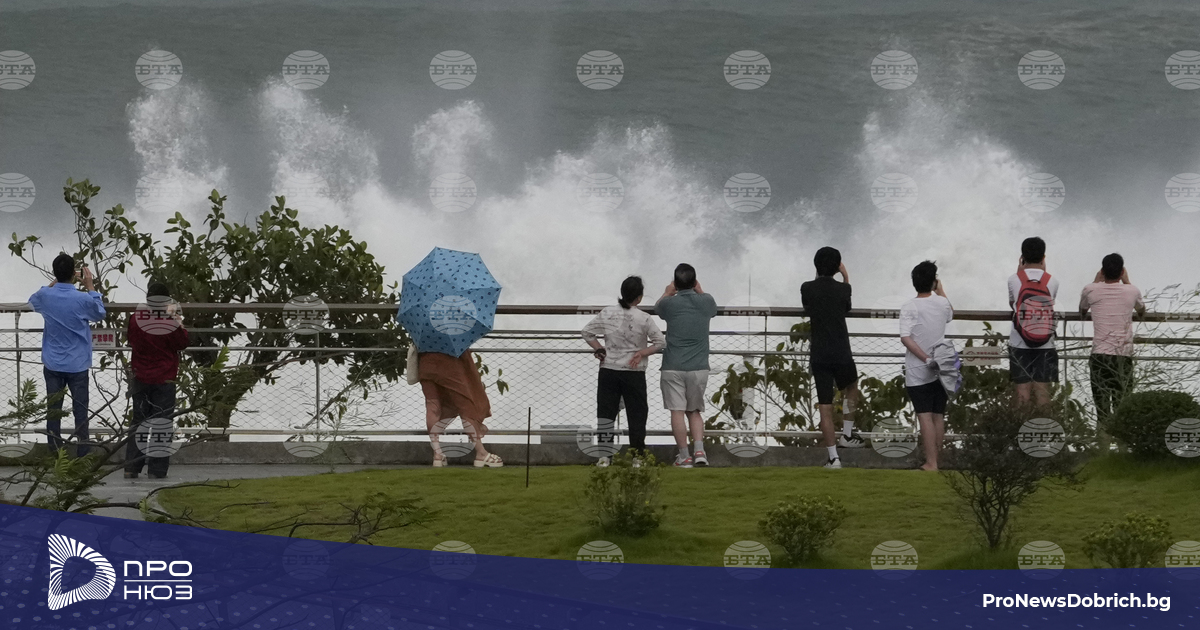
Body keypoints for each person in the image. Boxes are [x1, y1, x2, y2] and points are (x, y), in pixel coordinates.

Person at [582, 276, 665, 467]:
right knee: (637, 414)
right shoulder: (644, 318)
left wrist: (599, 348)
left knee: (606, 413)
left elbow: (587, 333)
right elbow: (660, 342)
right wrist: (642, 353)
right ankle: (637, 456)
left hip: (609, 369)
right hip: (634, 371)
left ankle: (605, 456)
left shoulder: (607, 312)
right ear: (639, 298)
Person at [28, 254, 106, 457]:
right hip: (78, 363)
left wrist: (53, 283)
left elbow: (32, 302)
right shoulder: (83, 299)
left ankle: (56, 457)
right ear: (74, 273)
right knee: (80, 411)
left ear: (54, 272)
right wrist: (90, 286)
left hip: (53, 363)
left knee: (53, 411)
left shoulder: (45, 295)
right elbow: (100, 313)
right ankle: (83, 456)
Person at [801, 247, 863, 470]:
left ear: (816, 266)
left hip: (819, 352)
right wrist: (845, 277)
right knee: (852, 386)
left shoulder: (807, 288)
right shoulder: (844, 289)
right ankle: (847, 434)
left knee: (825, 405)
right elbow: (846, 307)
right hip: (841, 350)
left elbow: (808, 306)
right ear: (837, 267)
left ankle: (833, 458)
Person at [1079, 253, 1145, 450]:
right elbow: (1142, 311)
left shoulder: (1090, 289)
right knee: (1122, 409)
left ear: (1102, 271)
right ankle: (1123, 452)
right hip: (1123, 357)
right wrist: (1127, 282)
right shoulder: (1132, 290)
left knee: (1102, 409)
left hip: (1099, 356)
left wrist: (1095, 282)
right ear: (1122, 271)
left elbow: (1082, 311)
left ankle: (1104, 455)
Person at [655, 263, 718, 468]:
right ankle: (700, 452)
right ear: (695, 281)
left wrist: (667, 292)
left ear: (675, 283)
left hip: (672, 365)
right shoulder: (706, 301)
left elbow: (658, 308)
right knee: (695, 411)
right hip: (699, 366)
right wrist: (700, 291)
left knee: (677, 411)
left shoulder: (668, 304)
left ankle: (684, 456)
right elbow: (713, 310)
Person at [125, 282, 189, 479]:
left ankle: (131, 467)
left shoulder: (135, 318)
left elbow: (131, 339)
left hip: (141, 375)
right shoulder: (169, 322)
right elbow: (182, 343)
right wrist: (178, 322)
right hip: (164, 377)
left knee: (138, 421)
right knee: (162, 422)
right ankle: (157, 470)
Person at [899, 261, 953, 471]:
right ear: (933, 281)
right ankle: (937, 459)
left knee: (924, 416)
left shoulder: (909, 306)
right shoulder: (942, 303)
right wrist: (940, 290)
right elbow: (950, 314)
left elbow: (905, 338)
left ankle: (931, 462)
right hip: (942, 367)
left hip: (917, 370)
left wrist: (925, 359)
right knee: (938, 415)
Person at [418, 348, 503, 468]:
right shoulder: (452, 337)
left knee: (433, 406)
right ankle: (481, 453)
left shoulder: (424, 337)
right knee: (466, 405)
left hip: (426, 363)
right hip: (450, 362)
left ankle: (437, 454)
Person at [1008, 237, 1060, 410]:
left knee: (1022, 394)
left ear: (1022, 257)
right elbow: (1049, 302)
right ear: (1044, 257)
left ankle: (1019, 425)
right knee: (1043, 394)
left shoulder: (1013, 279)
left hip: (1019, 342)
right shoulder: (1053, 281)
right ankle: (1044, 425)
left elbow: (1013, 304)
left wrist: (1019, 272)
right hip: (1045, 342)